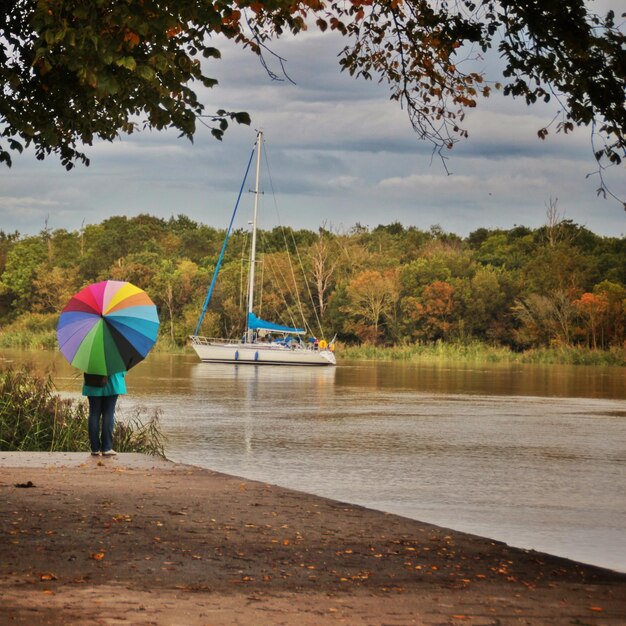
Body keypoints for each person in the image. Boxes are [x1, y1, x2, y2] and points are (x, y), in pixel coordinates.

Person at [82, 371, 127, 457]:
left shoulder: (92, 357)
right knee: (108, 414)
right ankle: (106, 448)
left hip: (93, 382)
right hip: (113, 382)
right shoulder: (116, 356)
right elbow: (122, 368)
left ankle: (95, 449)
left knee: (94, 414)